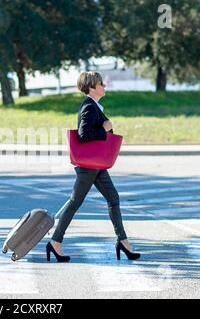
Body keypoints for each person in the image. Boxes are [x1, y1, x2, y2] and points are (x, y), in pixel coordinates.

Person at [46, 71, 141, 262]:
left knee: (113, 198)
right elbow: (84, 135)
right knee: (74, 203)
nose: (104, 86)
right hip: (89, 166)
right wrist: (104, 129)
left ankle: (123, 242)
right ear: (91, 87)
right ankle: (55, 242)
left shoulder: (94, 106)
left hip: (96, 164)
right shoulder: (89, 106)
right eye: (101, 83)